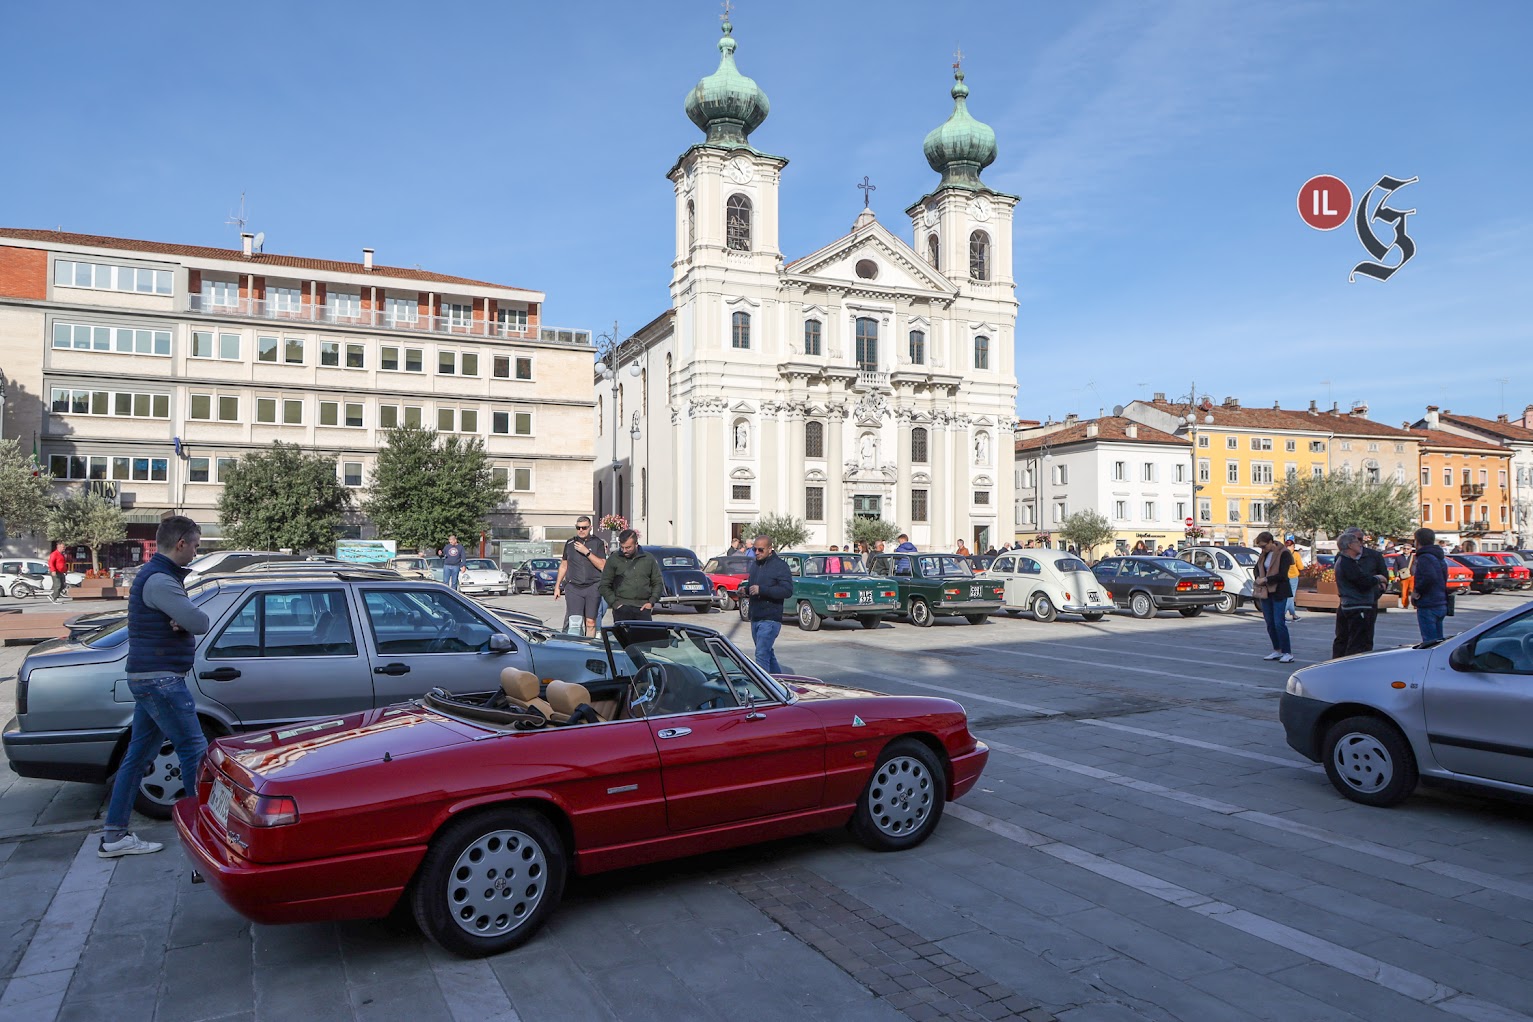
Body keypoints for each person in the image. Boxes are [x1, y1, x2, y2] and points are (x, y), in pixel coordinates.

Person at [99, 516, 211, 857]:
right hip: (161, 681)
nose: (195, 550)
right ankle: (203, 833)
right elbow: (200, 621)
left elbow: (187, 619)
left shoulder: (156, 577)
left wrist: (183, 619)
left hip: (149, 678)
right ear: (181, 544)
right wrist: (185, 620)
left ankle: (114, 836)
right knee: (195, 750)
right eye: (194, 544)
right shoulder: (162, 581)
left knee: (137, 757)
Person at [1333, 529, 1387, 658]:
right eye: (1357, 541)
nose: (1360, 544)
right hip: (1355, 605)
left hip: (1364, 603)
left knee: (1364, 639)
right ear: (1350, 545)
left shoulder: (1372, 556)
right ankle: (1347, 668)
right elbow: (1361, 581)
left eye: (1361, 540)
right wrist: (1377, 579)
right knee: (1353, 641)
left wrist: (1377, 591)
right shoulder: (1346, 561)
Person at [745, 534, 793, 674]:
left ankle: (765, 689)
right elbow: (752, 585)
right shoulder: (755, 565)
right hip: (756, 617)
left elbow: (787, 590)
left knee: (761, 655)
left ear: (770, 549)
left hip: (770, 618)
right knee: (767, 654)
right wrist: (746, 590)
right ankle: (780, 684)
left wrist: (762, 590)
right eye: (755, 549)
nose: (757, 553)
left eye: (761, 550)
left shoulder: (780, 566)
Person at [553, 515, 608, 636]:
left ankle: (589, 647)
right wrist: (557, 586)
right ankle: (576, 649)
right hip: (573, 587)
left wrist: (586, 552)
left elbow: (603, 565)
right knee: (574, 622)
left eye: (584, 528)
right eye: (578, 528)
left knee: (590, 622)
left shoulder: (597, 543)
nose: (581, 530)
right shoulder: (569, 543)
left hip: (593, 586)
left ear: (590, 528)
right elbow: (563, 565)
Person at [599, 529, 663, 622]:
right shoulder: (614, 559)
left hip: (643, 608)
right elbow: (604, 585)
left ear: (636, 544)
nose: (624, 550)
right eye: (622, 547)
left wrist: (651, 602)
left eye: (628, 547)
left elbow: (657, 582)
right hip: (621, 608)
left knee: (645, 636)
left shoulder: (648, 559)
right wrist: (615, 604)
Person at [1252, 532, 1294, 663]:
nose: (1262, 549)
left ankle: (1287, 652)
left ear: (1271, 542)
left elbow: (1282, 575)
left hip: (1279, 591)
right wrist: (1259, 578)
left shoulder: (1284, 553)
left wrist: (1265, 579)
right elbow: (1256, 568)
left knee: (1279, 622)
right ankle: (1277, 650)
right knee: (1269, 623)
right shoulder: (1264, 555)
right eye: (1260, 547)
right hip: (1266, 591)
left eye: (1264, 546)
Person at [1409, 528, 1448, 643]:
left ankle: (1433, 660)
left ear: (1418, 541)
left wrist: (1417, 591)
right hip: (1440, 601)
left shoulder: (1425, 557)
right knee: (1438, 640)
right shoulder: (1438, 556)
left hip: (1428, 603)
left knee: (1430, 642)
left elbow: (1429, 577)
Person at [1284, 538, 1304, 622]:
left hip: (1284, 577)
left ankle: (1294, 615)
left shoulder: (1283, 554)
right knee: (1290, 597)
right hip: (1293, 577)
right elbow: (1301, 567)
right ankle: (1282, 614)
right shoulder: (1295, 554)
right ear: (1292, 546)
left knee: (1288, 596)